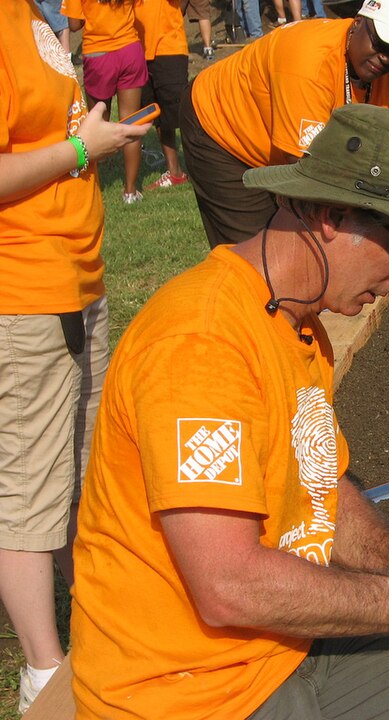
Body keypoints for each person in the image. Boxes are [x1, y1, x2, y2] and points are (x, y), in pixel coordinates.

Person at [70, 102, 389, 719]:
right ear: (330, 217)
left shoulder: (298, 321)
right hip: (186, 692)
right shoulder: (200, 343)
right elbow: (228, 585)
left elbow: (319, 487)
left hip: (292, 644)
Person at [0, 1, 150, 712]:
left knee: (82, 468)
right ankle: (43, 671)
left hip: (76, 282)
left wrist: (88, 137)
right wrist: (82, 150)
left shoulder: (33, 15)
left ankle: (97, 619)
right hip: (23, 291)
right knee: (29, 483)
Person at [180, 0, 389, 248]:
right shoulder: (310, 60)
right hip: (222, 127)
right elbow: (308, 172)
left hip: (280, 144)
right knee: (257, 252)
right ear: (357, 23)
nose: (385, 58)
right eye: (380, 43)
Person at [63, 0, 149, 204]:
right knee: (131, 121)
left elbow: (74, 25)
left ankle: (94, 186)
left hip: (98, 54)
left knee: (97, 123)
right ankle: (130, 191)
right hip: (130, 49)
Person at [134, 0, 191, 191]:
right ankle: (175, 172)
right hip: (136, 48)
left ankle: (204, 165)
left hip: (169, 46)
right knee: (158, 114)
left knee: (183, 113)